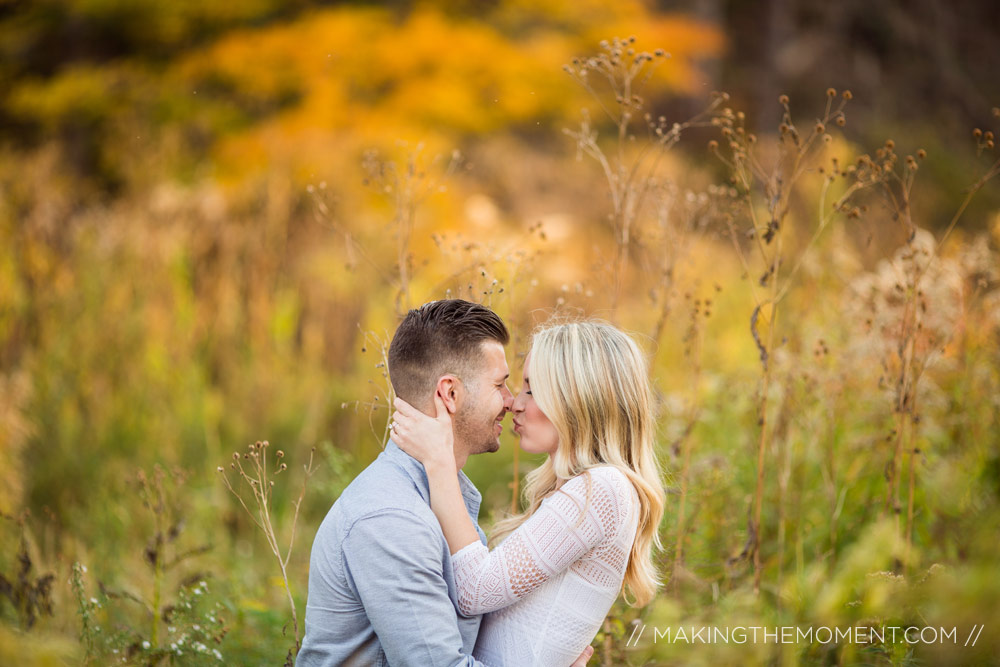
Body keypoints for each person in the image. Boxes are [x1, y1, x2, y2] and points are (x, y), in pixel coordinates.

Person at [298, 299, 594, 667]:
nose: (510, 401)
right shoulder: (391, 520)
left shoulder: (437, 497)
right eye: (500, 385)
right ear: (450, 394)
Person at [390, 320, 666, 667]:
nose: (514, 404)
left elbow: (475, 590)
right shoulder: (583, 489)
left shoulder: (603, 489)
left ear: (580, 399)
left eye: (532, 390)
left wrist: (439, 462)